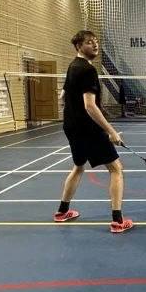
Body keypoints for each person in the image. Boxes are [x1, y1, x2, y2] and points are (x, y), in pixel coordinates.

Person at [54, 29, 133, 234]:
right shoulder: (88, 70)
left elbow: (62, 94)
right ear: (78, 46)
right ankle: (117, 221)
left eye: (96, 41)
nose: (95, 44)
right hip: (87, 127)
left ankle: (62, 212)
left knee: (78, 166)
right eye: (89, 42)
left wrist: (70, 106)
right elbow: (89, 106)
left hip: (71, 126)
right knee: (116, 169)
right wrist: (111, 131)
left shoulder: (73, 66)